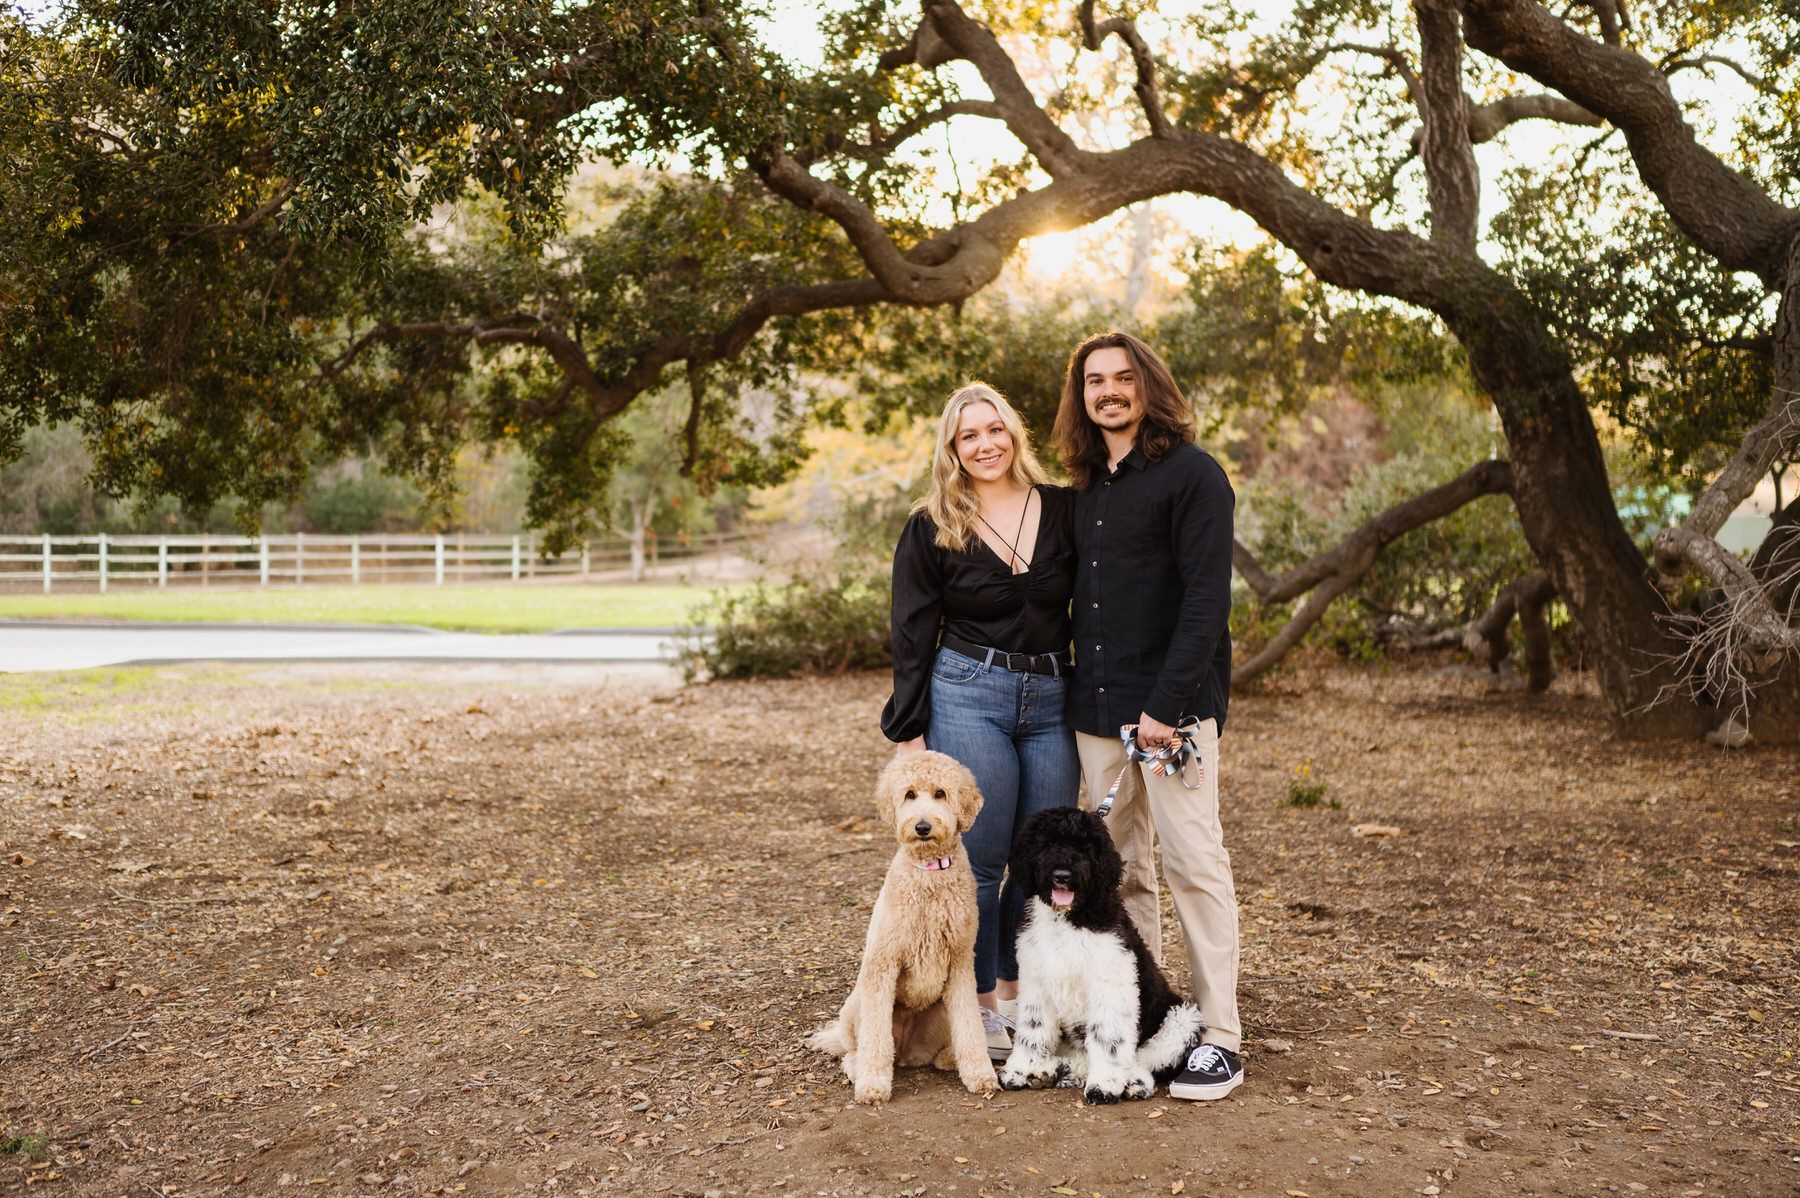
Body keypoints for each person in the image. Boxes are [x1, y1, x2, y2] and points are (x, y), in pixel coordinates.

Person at [1051, 330, 1244, 1101]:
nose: (1109, 391)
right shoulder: (1088, 487)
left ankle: (1221, 1035)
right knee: (1116, 871)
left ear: (1149, 386)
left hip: (1174, 716)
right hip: (1097, 710)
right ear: (1082, 397)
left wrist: (1165, 707)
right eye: (1094, 381)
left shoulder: (1194, 476)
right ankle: (1142, 1020)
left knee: (1194, 863)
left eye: (1123, 378)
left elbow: (1206, 602)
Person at [881, 381, 1079, 1061]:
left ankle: (1032, 996)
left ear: (1014, 433)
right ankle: (987, 1006)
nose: (985, 444)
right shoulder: (933, 523)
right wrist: (910, 735)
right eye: (969, 435)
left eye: (994, 429)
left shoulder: (1062, 509)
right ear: (953, 448)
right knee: (984, 856)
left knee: (1046, 858)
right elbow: (911, 631)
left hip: (1053, 695)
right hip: (969, 692)